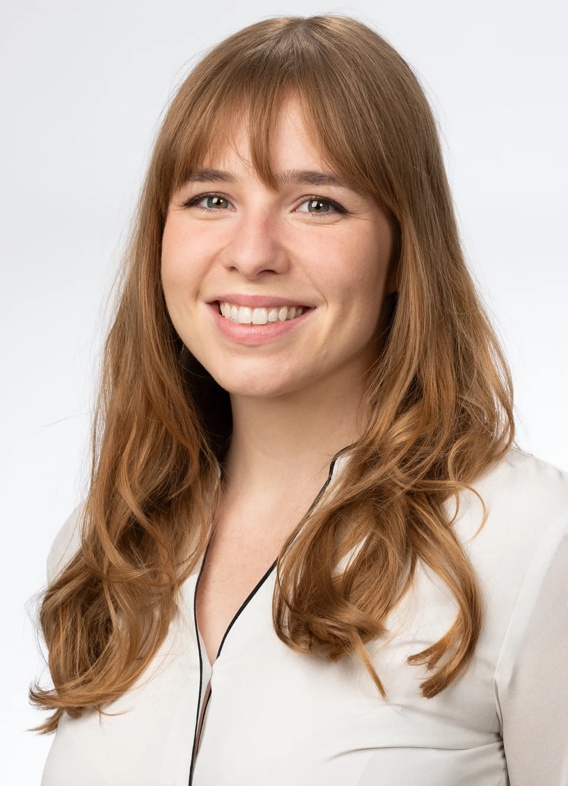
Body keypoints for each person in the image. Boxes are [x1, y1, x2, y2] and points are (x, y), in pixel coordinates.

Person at [32, 15, 568, 786]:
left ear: (401, 252)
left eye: (317, 204)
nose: (251, 254)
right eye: (211, 198)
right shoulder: (109, 543)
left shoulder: (531, 544)